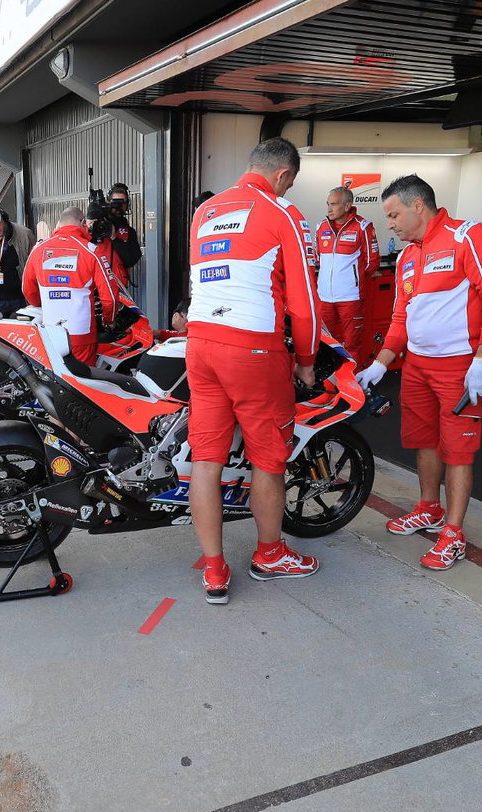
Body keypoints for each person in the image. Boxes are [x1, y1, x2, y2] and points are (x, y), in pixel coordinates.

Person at [185, 137, 322, 605]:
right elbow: (304, 302)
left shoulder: (205, 212)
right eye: (290, 183)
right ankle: (270, 554)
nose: (288, 190)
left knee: (206, 460)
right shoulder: (283, 213)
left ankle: (214, 569)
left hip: (200, 344)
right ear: (283, 175)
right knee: (269, 459)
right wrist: (307, 362)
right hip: (253, 349)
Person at [355, 174, 482, 571]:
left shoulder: (469, 236)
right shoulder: (407, 257)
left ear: (418, 206)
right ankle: (429, 508)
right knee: (424, 441)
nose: (390, 224)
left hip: (459, 367)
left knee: (458, 450)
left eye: (393, 215)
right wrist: (380, 363)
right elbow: (400, 318)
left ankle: (454, 533)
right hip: (417, 367)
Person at [21, 207, 118, 365]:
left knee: (54, 375)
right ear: (83, 223)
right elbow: (110, 297)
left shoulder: (38, 249)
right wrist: (109, 320)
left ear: (59, 224)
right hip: (81, 333)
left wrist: (44, 304)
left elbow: (27, 289)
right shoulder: (92, 251)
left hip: (50, 331)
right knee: (83, 378)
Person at [314, 186, 379, 360]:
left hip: (350, 298)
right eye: (328, 204)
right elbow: (318, 259)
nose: (329, 209)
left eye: (334, 204)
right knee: (323, 342)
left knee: (351, 344)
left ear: (347, 205)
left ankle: (352, 376)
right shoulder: (321, 226)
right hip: (324, 297)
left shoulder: (363, 227)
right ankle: (328, 377)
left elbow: (372, 263)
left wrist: (352, 281)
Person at [89, 182, 143, 297]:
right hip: (93, 288)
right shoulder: (95, 228)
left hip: (118, 290)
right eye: (115, 203)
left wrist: (114, 238)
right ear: (108, 203)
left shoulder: (129, 232)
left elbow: (131, 260)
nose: (118, 207)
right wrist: (90, 224)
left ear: (127, 205)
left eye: (122, 203)